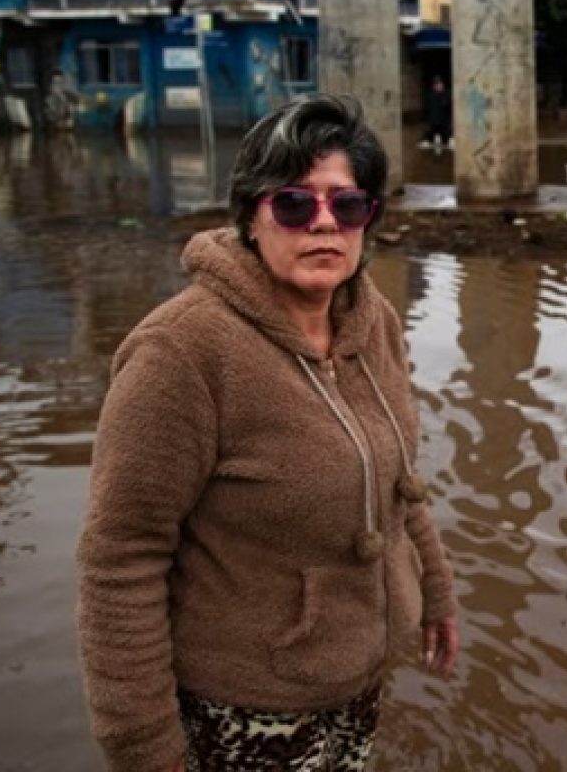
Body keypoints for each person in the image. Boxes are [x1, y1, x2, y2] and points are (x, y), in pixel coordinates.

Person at [76, 94, 459, 772]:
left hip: (356, 678)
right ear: (252, 216)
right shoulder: (183, 352)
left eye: (346, 205)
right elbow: (119, 560)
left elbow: (402, 483)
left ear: (369, 218)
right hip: (243, 707)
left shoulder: (372, 323)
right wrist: (145, 750)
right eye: (293, 203)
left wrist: (434, 592)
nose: (323, 224)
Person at [423, 76, 452, 150]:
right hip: (433, 123)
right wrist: (427, 123)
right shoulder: (430, 96)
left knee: (445, 143)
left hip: (444, 124)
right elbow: (427, 110)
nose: (439, 86)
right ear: (434, 86)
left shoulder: (447, 95)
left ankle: (445, 158)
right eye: (437, 84)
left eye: (440, 84)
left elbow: (450, 110)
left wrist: (449, 123)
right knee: (430, 143)